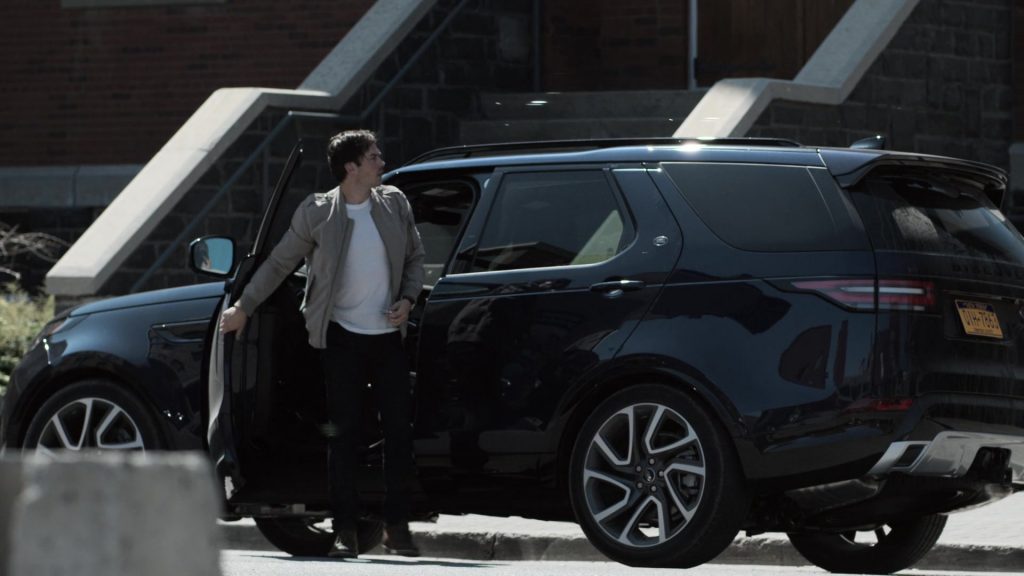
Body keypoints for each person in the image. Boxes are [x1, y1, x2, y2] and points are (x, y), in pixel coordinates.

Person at [219, 129, 425, 559]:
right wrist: (244, 306)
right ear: (351, 167)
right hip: (341, 336)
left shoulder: (394, 203)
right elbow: (279, 262)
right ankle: (345, 530)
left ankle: (396, 526)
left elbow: (414, 259)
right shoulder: (317, 212)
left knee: (399, 432)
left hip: (388, 336)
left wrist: (407, 299)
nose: (381, 161)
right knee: (343, 435)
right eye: (373, 156)